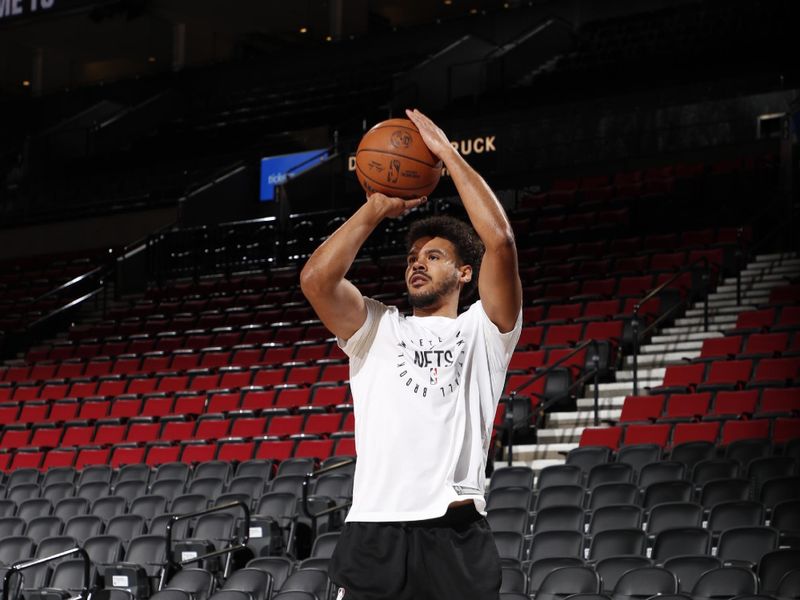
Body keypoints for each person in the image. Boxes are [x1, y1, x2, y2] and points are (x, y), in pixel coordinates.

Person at [299, 108, 522, 600]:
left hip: (452, 529)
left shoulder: (483, 331)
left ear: (465, 273)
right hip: (373, 529)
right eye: (412, 258)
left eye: (434, 256)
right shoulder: (375, 327)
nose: (418, 263)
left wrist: (447, 155)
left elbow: (500, 241)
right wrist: (376, 208)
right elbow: (316, 281)